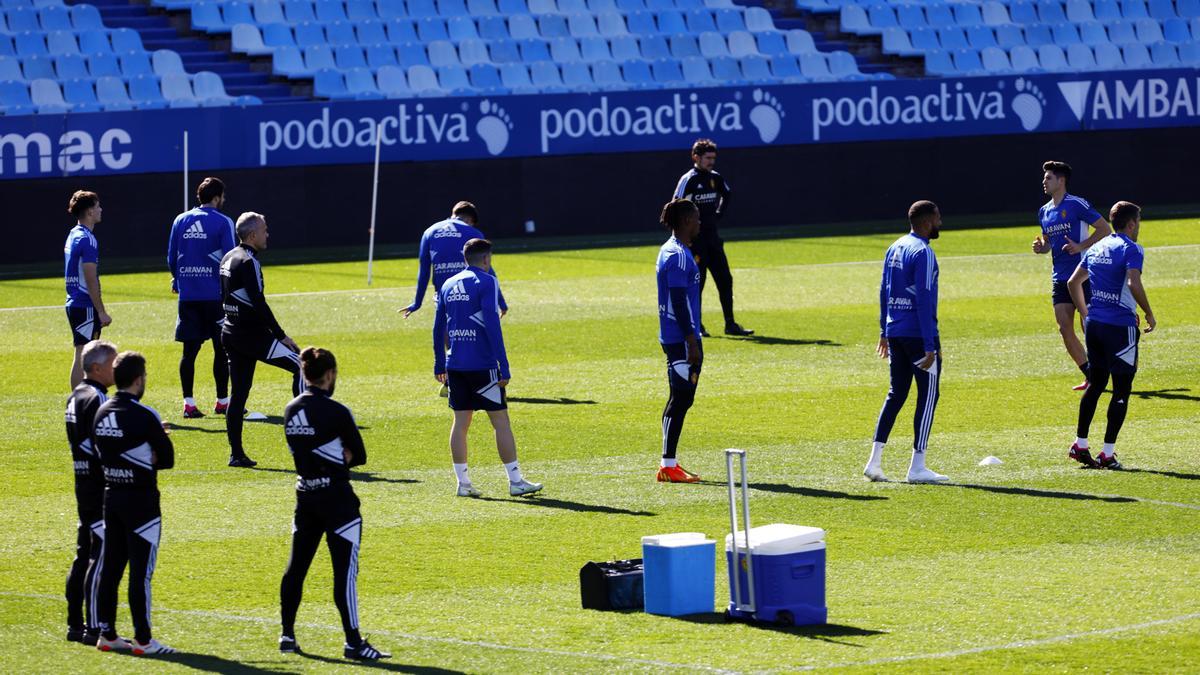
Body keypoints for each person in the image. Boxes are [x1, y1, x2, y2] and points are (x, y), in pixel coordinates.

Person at [279, 347, 390, 661]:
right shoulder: (338, 411)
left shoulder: (290, 409)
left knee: (295, 568)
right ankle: (353, 643)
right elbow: (361, 455)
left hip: (305, 496)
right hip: (338, 501)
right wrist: (339, 460)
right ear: (329, 375)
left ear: (304, 374)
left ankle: (287, 634)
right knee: (344, 574)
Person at [433, 238, 542, 498]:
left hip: (455, 364)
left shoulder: (448, 284)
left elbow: (438, 328)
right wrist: (503, 365)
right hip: (482, 365)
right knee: (501, 421)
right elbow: (492, 325)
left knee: (460, 423)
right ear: (486, 259)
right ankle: (515, 481)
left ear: (464, 258)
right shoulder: (487, 282)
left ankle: (463, 484)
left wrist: (439, 362)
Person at [92, 351, 176, 655]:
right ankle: (143, 640)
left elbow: (100, 452)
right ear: (139, 380)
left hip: (110, 495)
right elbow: (167, 459)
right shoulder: (144, 414)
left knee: (111, 568)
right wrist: (150, 452)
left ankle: (107, 633)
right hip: (141, 502)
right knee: (141, 573)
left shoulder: (101, 412)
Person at [1066, 201, 1155, 471]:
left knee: (1096, 383)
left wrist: (1086, 313)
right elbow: (1133, 282)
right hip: (1120, 328)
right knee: (1121, 389)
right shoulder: (1131, 249)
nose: (1138, 227)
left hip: (1095, 325)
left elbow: (1073, 283)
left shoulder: (1097, 247)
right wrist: (1149, 313)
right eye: (1137, 222)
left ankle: (1080, 444)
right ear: (1131, 224)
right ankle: (1107, 453)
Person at [865, 201, 949, 484]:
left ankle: (874, 462)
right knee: (928, 397)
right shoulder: (923, 252)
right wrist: (929, 343)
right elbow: (924, 297)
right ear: (927, 221)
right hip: (917, 333)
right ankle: (918, 466)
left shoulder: (895, 247)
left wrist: (883, 330)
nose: (940, 222)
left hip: (895, 331)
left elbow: (883, 289)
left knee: (896, 393)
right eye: (938, 218)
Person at [220, 212, 302, 468]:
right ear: (253, 235)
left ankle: (236, 454)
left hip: (230, 333)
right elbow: (258, 302)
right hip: (252, 337)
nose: (268, 234)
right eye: (265, 230)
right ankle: (301, 437)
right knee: (302, 366)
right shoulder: (249, 261)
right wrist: (282, 336)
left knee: (239, 394)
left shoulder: (228, 257)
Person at [401, 201, 507, 396]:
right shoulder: (472, 233)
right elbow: (488, 270)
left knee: (451, 334)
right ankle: (484, 379)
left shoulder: (430, 232)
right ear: (470, 219)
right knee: (480, 332)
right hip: (474, 290)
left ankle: (454, 381)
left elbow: (424, 269)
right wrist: (501, 300)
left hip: (444, 293)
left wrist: (417, 302)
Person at [1032, 161, 1112, 391]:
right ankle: (1091, 374)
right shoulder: (1044, 211)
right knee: (1064, 327)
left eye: (1048, 178)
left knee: (1089, 326)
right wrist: (1041, 247)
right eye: (1044, 178)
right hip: (1060, 277)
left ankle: (1110, 365)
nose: (1044, 182)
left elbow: (1104, 229)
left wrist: (1081, 246)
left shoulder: (1077, 204)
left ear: (1061, 180)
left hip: (1083, 274)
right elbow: (1048, 243)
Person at [167, 177, 237, 419]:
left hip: (188, 297)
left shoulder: (180, 220)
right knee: (222, 349)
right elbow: (231, 259)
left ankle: (189, 404)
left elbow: (171, 257)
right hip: (215, 297)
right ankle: (222, 402)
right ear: (217, 197)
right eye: (223, 197)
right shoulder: (223, 221)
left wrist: (178, 279)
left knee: (189, 352)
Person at [63, 339, 117, 646]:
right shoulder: (96, 398)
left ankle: (75, 623)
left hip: (82, 483)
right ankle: (94, 627)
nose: (117, 367)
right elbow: (102, 445)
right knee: (99, 557)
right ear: (96, 368)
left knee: (84, 553)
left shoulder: (76, 395)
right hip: (98, 487)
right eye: (113, 362)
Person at [671, 139, 752, 338]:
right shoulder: (688, 179)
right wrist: (684, 236)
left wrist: (717, 214)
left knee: (725, 279)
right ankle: (696, 325)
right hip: (695, 242)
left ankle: (730, 324)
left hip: (713, 240)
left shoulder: (715, 178)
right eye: (707, 158)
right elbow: (674, 205)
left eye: (713, 158)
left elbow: (728, 194)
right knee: (698, 282)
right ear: (695, 157)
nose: (711, 162)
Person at [655, 199, 705, 483]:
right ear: (686, 221)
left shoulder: (671, 250)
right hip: (680, 339)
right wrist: (692, 341)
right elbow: (677, 299)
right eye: (696, 218)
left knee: (682, 398)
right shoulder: (679, 256)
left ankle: (669, 463)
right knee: (680, 398)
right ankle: (667, 465)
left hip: (679, 337)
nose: (699, 222)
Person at [64, 191, 112, 389]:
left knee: (81, 353)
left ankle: (79, 401)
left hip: (74, 302)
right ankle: (81, 402)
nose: (101, 210)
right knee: (86, 354)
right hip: (84, 304)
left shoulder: (73, 234)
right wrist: (101, 311)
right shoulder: (87, 239)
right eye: (98, 206)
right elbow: (91, 279)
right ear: (90, 211)